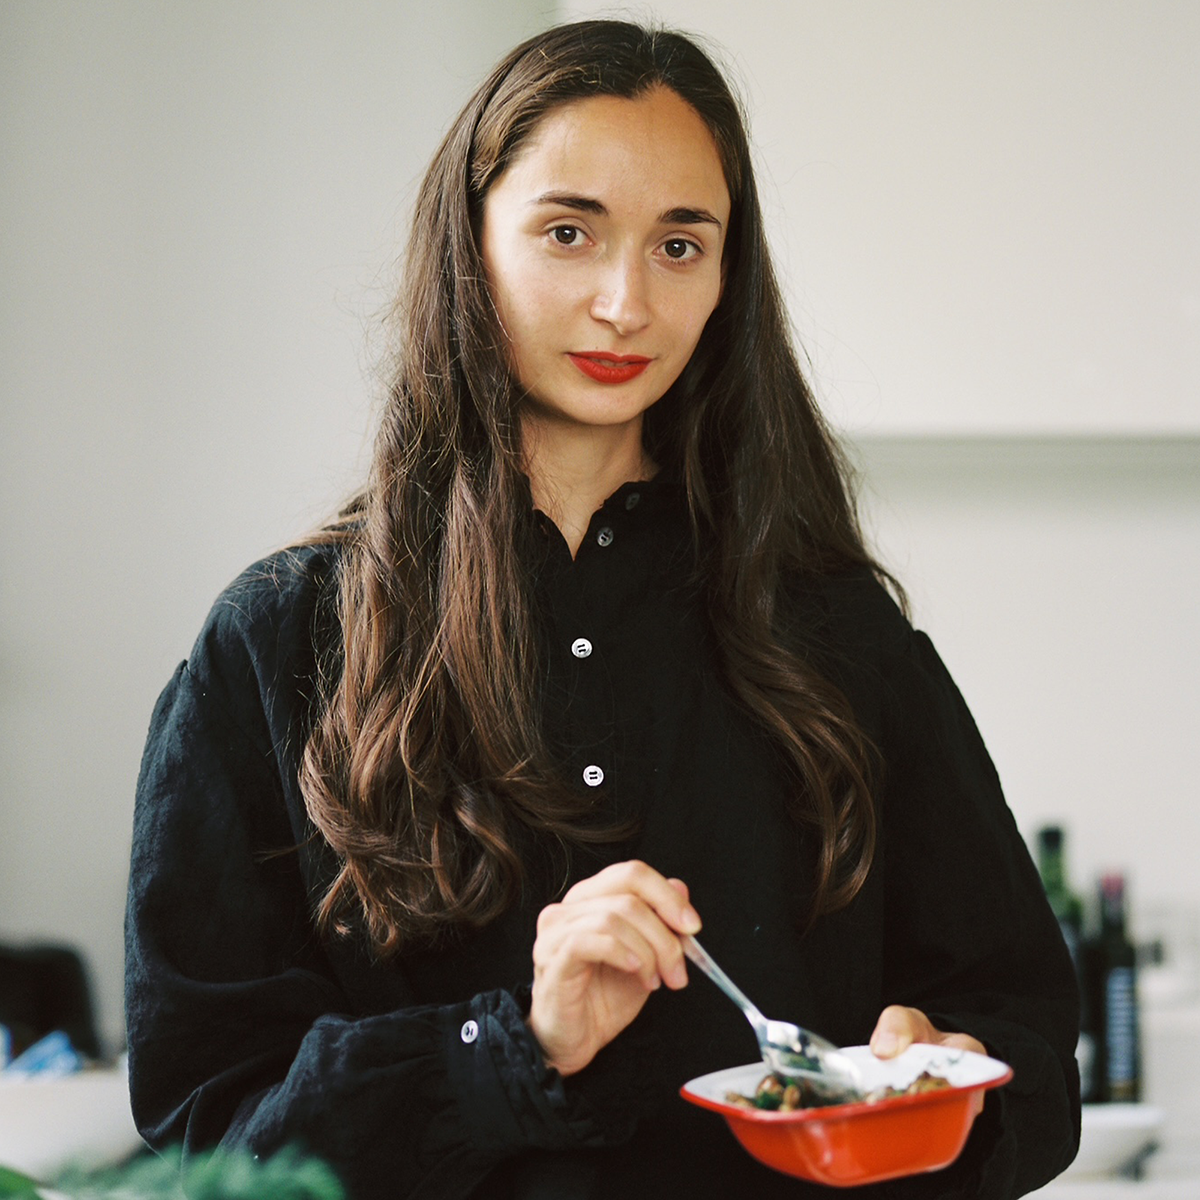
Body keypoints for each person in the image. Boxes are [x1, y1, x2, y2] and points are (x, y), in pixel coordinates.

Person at [125, 19, 1080, 1200]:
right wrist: (514, 1046)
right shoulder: (274, 645)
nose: (626, 302)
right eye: (569, 232)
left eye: (681, 244)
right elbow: (211, 1143)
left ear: (729, 278)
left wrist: (947, 1091)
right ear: (470, 242)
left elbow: (1029, 1042)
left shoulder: (841, 633)